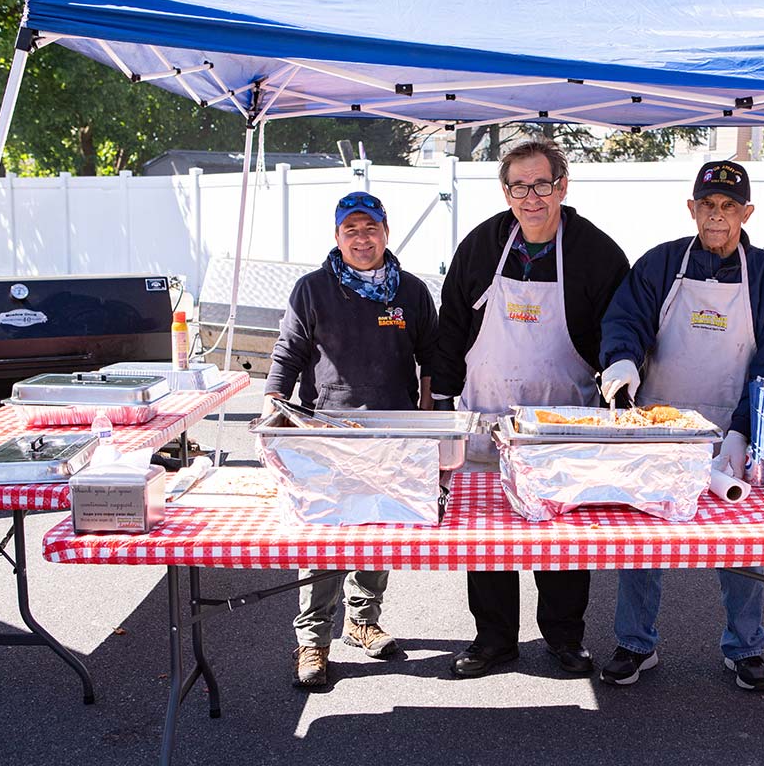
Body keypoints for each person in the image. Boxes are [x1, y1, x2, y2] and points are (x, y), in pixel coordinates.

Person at [597, 160, 764, 690]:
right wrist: (620, 360)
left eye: (729, 208)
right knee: (643, 538)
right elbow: (627, 321)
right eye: (707, 206)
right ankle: (635, 642)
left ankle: (745, 646)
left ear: (746, 213)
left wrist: (742, 430)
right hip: (659, 426)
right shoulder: (661, 264)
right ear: (691, 209)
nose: (717, 217)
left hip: (736, 430)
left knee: (740, 542)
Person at [434, 139, 630, 678]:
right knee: (487, 534)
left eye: (542, 185)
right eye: (519, 187)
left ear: (563, 187)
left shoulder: (597, 253)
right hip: (487, 414)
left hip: (564, 420)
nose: (531, 197)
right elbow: (452, 325)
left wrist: (620, 380)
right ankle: (494, 639)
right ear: (506, 192)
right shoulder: (481, 246)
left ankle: (566, 639)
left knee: (563, 536)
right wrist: (440, 401)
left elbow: (620, 330)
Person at [265, 190, 438, 688]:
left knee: (377, 533)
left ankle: (362, 621)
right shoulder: (313, 289)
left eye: (371, 229)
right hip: (326, 432)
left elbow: (431, 354)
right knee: (324, 539)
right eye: (351, 231)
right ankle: (313, 642)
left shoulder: (411, 290)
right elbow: (288, 354)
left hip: (394, 432)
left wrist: (427, 412)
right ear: (337, 236)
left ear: (387, 231)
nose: (362, 239)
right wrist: (270, 413)